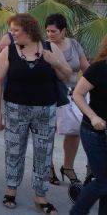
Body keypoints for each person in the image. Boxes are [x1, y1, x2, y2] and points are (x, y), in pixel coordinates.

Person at [0, 13, 71, 213]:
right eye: (12, 30)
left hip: (45, 110)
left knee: (43, 154)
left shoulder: (49, 48)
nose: (12, 33)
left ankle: (40, 195)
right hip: (16, 109)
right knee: (14, 151)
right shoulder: (8, 51)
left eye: (15, 30)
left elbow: (67, 75)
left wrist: (54, 61)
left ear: (27, 30)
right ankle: (11, 189)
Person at [45, 13, 91, 185]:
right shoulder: (44, 47)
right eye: (47, 31)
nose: (50, 35)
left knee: (75, 131)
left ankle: (68, 167)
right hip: (53, 94)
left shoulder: (74, 44)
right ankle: (47, 166)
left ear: (63, 30)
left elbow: (85, 67)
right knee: (48, 131)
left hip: (75, 95)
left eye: (54, 31)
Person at [70, 36, 107, 215]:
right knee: (103, 181)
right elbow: (77, 94)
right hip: (94, 133)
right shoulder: (99, 68)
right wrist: (93, 117)